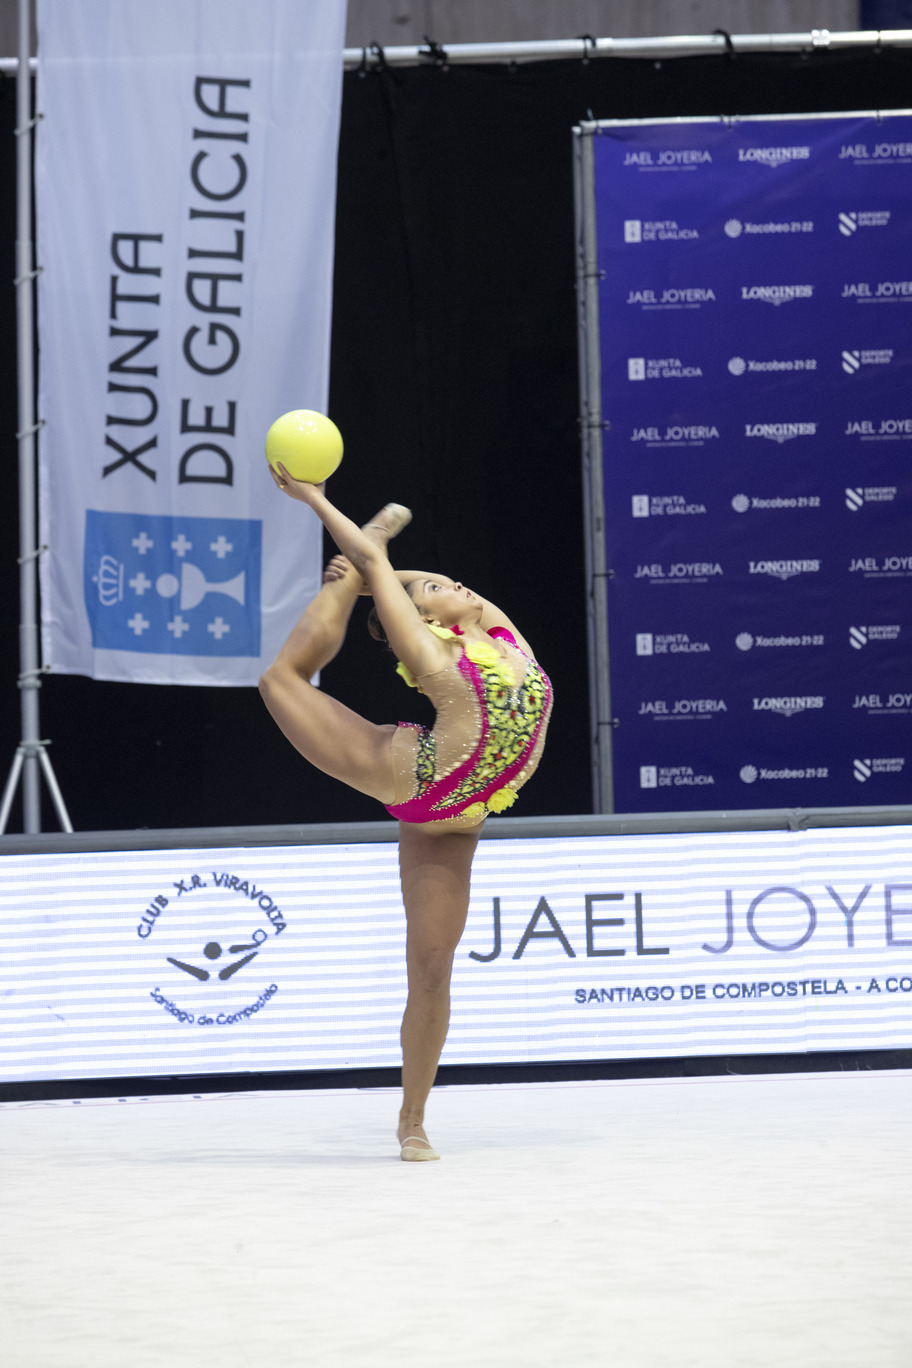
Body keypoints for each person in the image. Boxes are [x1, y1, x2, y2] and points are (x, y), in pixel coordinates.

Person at [259, 464, 553, 1161]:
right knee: (280, 680)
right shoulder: (431, 657)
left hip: (462, 816)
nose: (453, 584)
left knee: (432, 967)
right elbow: (380, 574)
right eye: (433, 588)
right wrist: (319, 504)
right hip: (415, 778)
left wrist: (383, 566)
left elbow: (399, 577)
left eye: (449, 579)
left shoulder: (503, 638)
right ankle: (342, 585)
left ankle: (412, 1120)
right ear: (421, 619)